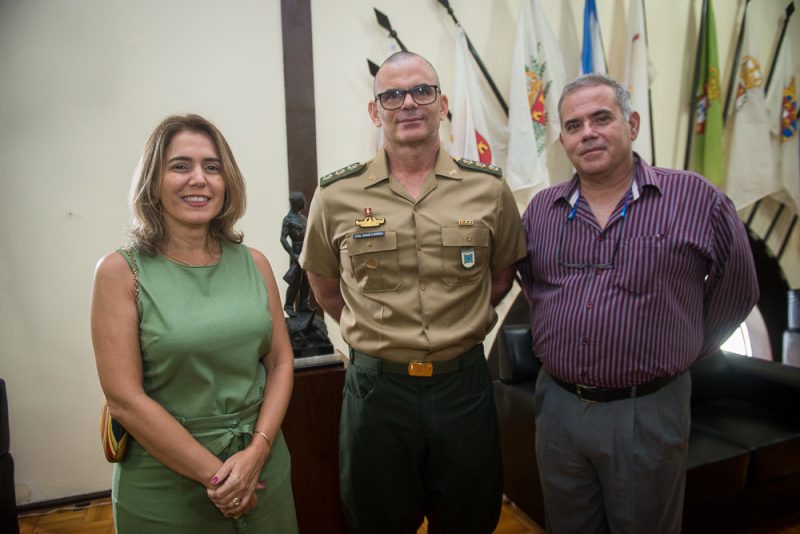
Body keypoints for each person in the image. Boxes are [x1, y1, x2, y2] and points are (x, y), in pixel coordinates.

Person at [518, 74, 759, 533]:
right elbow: (535, 287)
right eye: (573, 125)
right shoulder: (541, 211)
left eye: (601, 118)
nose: (588, 133)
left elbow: (738, 289)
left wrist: (685, 347)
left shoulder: (696, 199)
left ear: (632, 124)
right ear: (563, 140)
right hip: (559, 407)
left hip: (647, 408)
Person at [299, 51, 527, 534]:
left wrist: (457, 326)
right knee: (376, 520)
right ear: (374, 110)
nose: (408, 103)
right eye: (392, 95)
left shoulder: (488, 189)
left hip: (462, 386)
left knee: (469, 518)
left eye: (422, 91)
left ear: (442, 104)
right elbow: (325, 288)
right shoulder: (336, 196)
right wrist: (377, 332)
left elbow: (501, 277)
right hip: (377, 392)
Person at [90, 114, 298, 533]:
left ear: (227, 181)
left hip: (262, 469)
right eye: (180, 166)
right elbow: (125, 399)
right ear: (154, 181)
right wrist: (220, 479)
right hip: (167, 484)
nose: (199, 179)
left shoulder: (255, 264)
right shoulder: (120, 272)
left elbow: (280, 363)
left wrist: (258, 450)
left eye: (212, 167)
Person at [280, 191, 311, 316]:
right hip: (297, 251)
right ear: (297, 203)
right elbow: (283, 239)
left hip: (306, 251)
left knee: (308, 280)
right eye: (302, 200)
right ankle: (288, 305)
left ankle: (304, 304)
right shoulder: (288, 219)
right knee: (295, 281)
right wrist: (294, 255)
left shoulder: (303, 218)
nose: (305, 202)